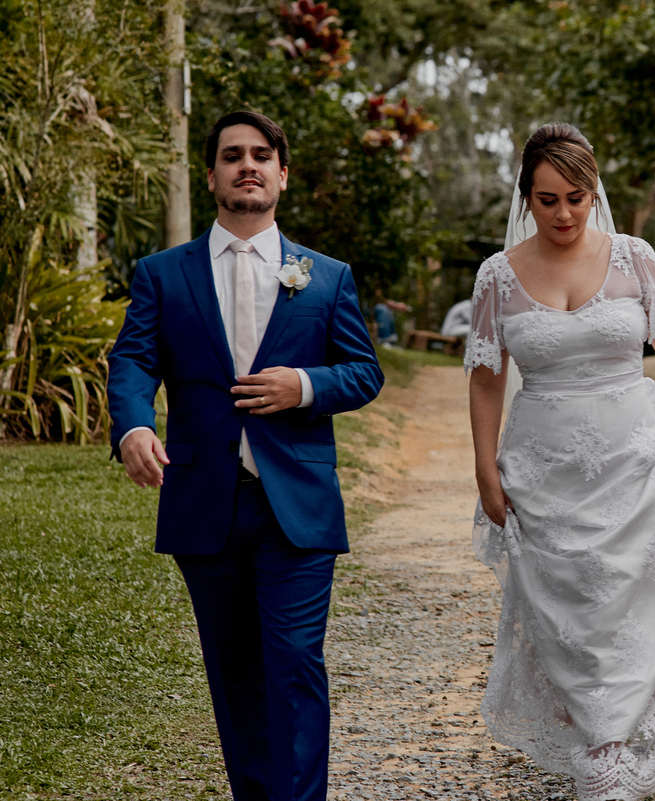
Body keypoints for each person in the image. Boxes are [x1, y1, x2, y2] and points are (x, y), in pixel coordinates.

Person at [107, 110, 383, 801]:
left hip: (297, 505)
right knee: (235, 674)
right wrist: (133, 427)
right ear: (211, 176)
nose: (248, 166)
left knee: (294, 666)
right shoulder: (162, 274)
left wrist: (304, 386)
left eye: (262, 156)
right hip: (205, 503)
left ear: (282, 175)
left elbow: (364, 372)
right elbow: (133, 361)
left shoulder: (325, 277)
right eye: (233, 156)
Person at [466, 123, 655, 801]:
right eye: (548, 200)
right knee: (562, 600)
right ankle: (590, 731)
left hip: (636, 458)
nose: (565, 214)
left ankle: (613, 743)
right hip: (541, 466)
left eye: (577, 198)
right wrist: (486, 468)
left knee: (633, 596)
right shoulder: (498, 275)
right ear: (526, 199)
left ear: (595, 193)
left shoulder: (633, 256)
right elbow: (485, 376)